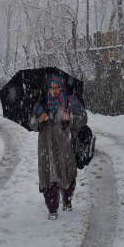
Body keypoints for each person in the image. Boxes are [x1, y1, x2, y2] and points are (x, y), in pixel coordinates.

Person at [30, 74, 87, 220]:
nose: (54, 91)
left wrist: (71, 119)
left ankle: (67, 200)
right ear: (48, 88)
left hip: (65, 145)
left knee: (67, 173)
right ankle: (52, 208)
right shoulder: (40, 103)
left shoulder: (69, 101)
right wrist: (39, 120)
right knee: (48, 176)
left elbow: (83, 118)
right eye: (51, 88)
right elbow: (32, 124)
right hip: (46, 146)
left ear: (61, 88)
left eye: (57, 88)